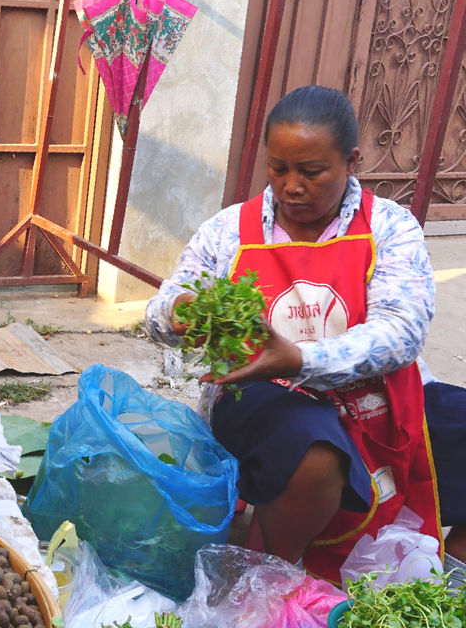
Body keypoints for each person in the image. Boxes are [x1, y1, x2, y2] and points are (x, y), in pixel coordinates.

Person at [145, 85, 466, 581]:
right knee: (313, 452)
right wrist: (179, 311)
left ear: (351, 162)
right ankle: (277, 579)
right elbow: (159, 311)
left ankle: (446, 585)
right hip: (262, 390)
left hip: (381, 393)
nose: (291, 186)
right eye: (278, 169)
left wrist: (302, 360)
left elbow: (401, 332)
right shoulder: (228, 231)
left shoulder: (388, 227)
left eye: (312, 172)